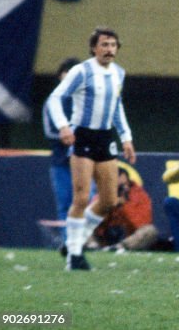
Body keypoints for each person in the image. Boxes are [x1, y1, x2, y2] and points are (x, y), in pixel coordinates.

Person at [44, 27, 136, 271]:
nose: (109, 49)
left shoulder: (119, 73)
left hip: (105, 137)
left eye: (113, 45)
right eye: (104, 45)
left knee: (108, 199)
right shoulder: (81, 71)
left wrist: (126, 137)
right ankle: (74, 256)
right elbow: (54, 98)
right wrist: (64, 126)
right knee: (82, 197)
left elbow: (116, 107)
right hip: (82, 135)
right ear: (94, 48)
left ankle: (75, 241)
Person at [42, 57, 79, 244]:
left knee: (85, 201)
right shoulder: (53, 101)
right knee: (65, 203)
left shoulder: (84, 99)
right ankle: (68, 242)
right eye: (67, 72)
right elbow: (50, 131)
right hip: (61, 162)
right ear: (60, 76)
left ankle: (85, 240)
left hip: (84, 159)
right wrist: (69, 136)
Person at [87, 167, 158, 252]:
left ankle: (119, 247)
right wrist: (107, 206)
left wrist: (125, 205)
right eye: (119, 186)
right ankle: (93, 247)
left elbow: (141, 223)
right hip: (104, 238)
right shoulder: (103, 194)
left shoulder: (139, 195)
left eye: (125, 184)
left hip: (130, 237)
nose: (124, 188)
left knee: (150, 231)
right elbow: (92, 221)